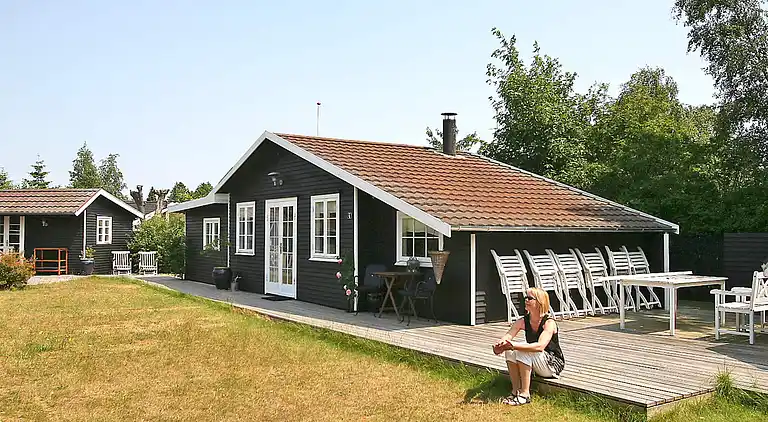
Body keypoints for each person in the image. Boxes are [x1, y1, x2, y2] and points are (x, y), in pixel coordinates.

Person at [492, 287, 565, 406]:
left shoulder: (549, 323)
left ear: (539, 302)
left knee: (521, 349)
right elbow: (508, 336)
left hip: (552, 364)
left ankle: (525, 394)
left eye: (530, 298)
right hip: (536, 360)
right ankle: (515, 391)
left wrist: (514, 345)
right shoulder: (523, 321)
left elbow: (540, 346)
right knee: (510, 352)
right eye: (525, 297)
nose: (526, 300)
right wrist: (499, 345)